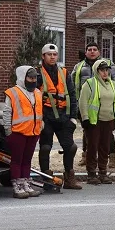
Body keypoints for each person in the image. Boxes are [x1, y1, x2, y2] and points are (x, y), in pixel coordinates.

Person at [38, 43, 82, 190]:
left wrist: (73, 117)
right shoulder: (37, 73)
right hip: (46, 117)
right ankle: (46, 177)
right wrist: (40, 119)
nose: (52, 57)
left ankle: (69, 177)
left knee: (71, 147)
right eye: (49, 54)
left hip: (63, 116)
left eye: (54, 54)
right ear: (43, 56)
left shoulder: (64, 73)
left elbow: (72, 95)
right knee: (45, 147)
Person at [72, 43, 115, 168]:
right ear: (85, 52)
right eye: (89, 50)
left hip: (106, 105)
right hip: (85, 105)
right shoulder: (79, 67)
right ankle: (86, 156)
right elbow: (73, 85)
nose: (92, 52)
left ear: (99, 52)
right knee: (87, 132)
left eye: (95, 49)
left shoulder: (107, 65)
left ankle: (112, 156)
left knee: (107, 134)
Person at [1, 66, 43, 198]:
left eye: (35, 78)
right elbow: (7, 112)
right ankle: (17, 185)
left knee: (27, 160)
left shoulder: (37, 92)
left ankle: (25, 182)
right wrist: (8, 130)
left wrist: (40, 126)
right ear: (22, 78)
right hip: (18, 132)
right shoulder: (13, 92)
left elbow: (39, 111)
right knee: (17, 160)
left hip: (33, 131)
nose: (33, 80)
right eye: (30, 78)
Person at [78, 58, 115, 185]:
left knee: (105, 147)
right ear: (96, 71)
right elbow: (82, 102)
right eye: (102, 70)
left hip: (108, 120)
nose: (105, 73)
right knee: (92, 146)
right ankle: (91, 173)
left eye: (107, 70)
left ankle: (103, 172)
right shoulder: (89, 84)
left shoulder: (113, 84)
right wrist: (85, 118)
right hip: (94, 121)